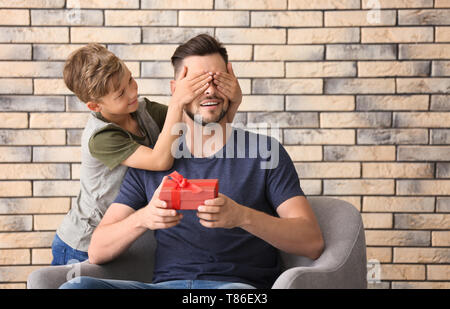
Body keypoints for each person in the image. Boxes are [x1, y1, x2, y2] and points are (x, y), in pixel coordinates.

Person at [60, 34, 324, 289]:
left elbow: (311, 242)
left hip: (234, 289)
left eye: (218, 80)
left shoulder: (263, 153)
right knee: (77, 286)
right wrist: (145, 217)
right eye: (197, 83)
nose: (209, 89)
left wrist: (242, 216)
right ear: (176, 92)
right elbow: (97, 250)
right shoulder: (148, 160)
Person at [52, 42, 241, 265]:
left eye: (130, 79)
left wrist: (234, 101)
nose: (133, 91)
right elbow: (159, 160)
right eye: (121, 93)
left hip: (129, 235)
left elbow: (202, 129)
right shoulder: (101, 137)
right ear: (95, 106)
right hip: (85, 242)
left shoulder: (143, 110)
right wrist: (178, 100)